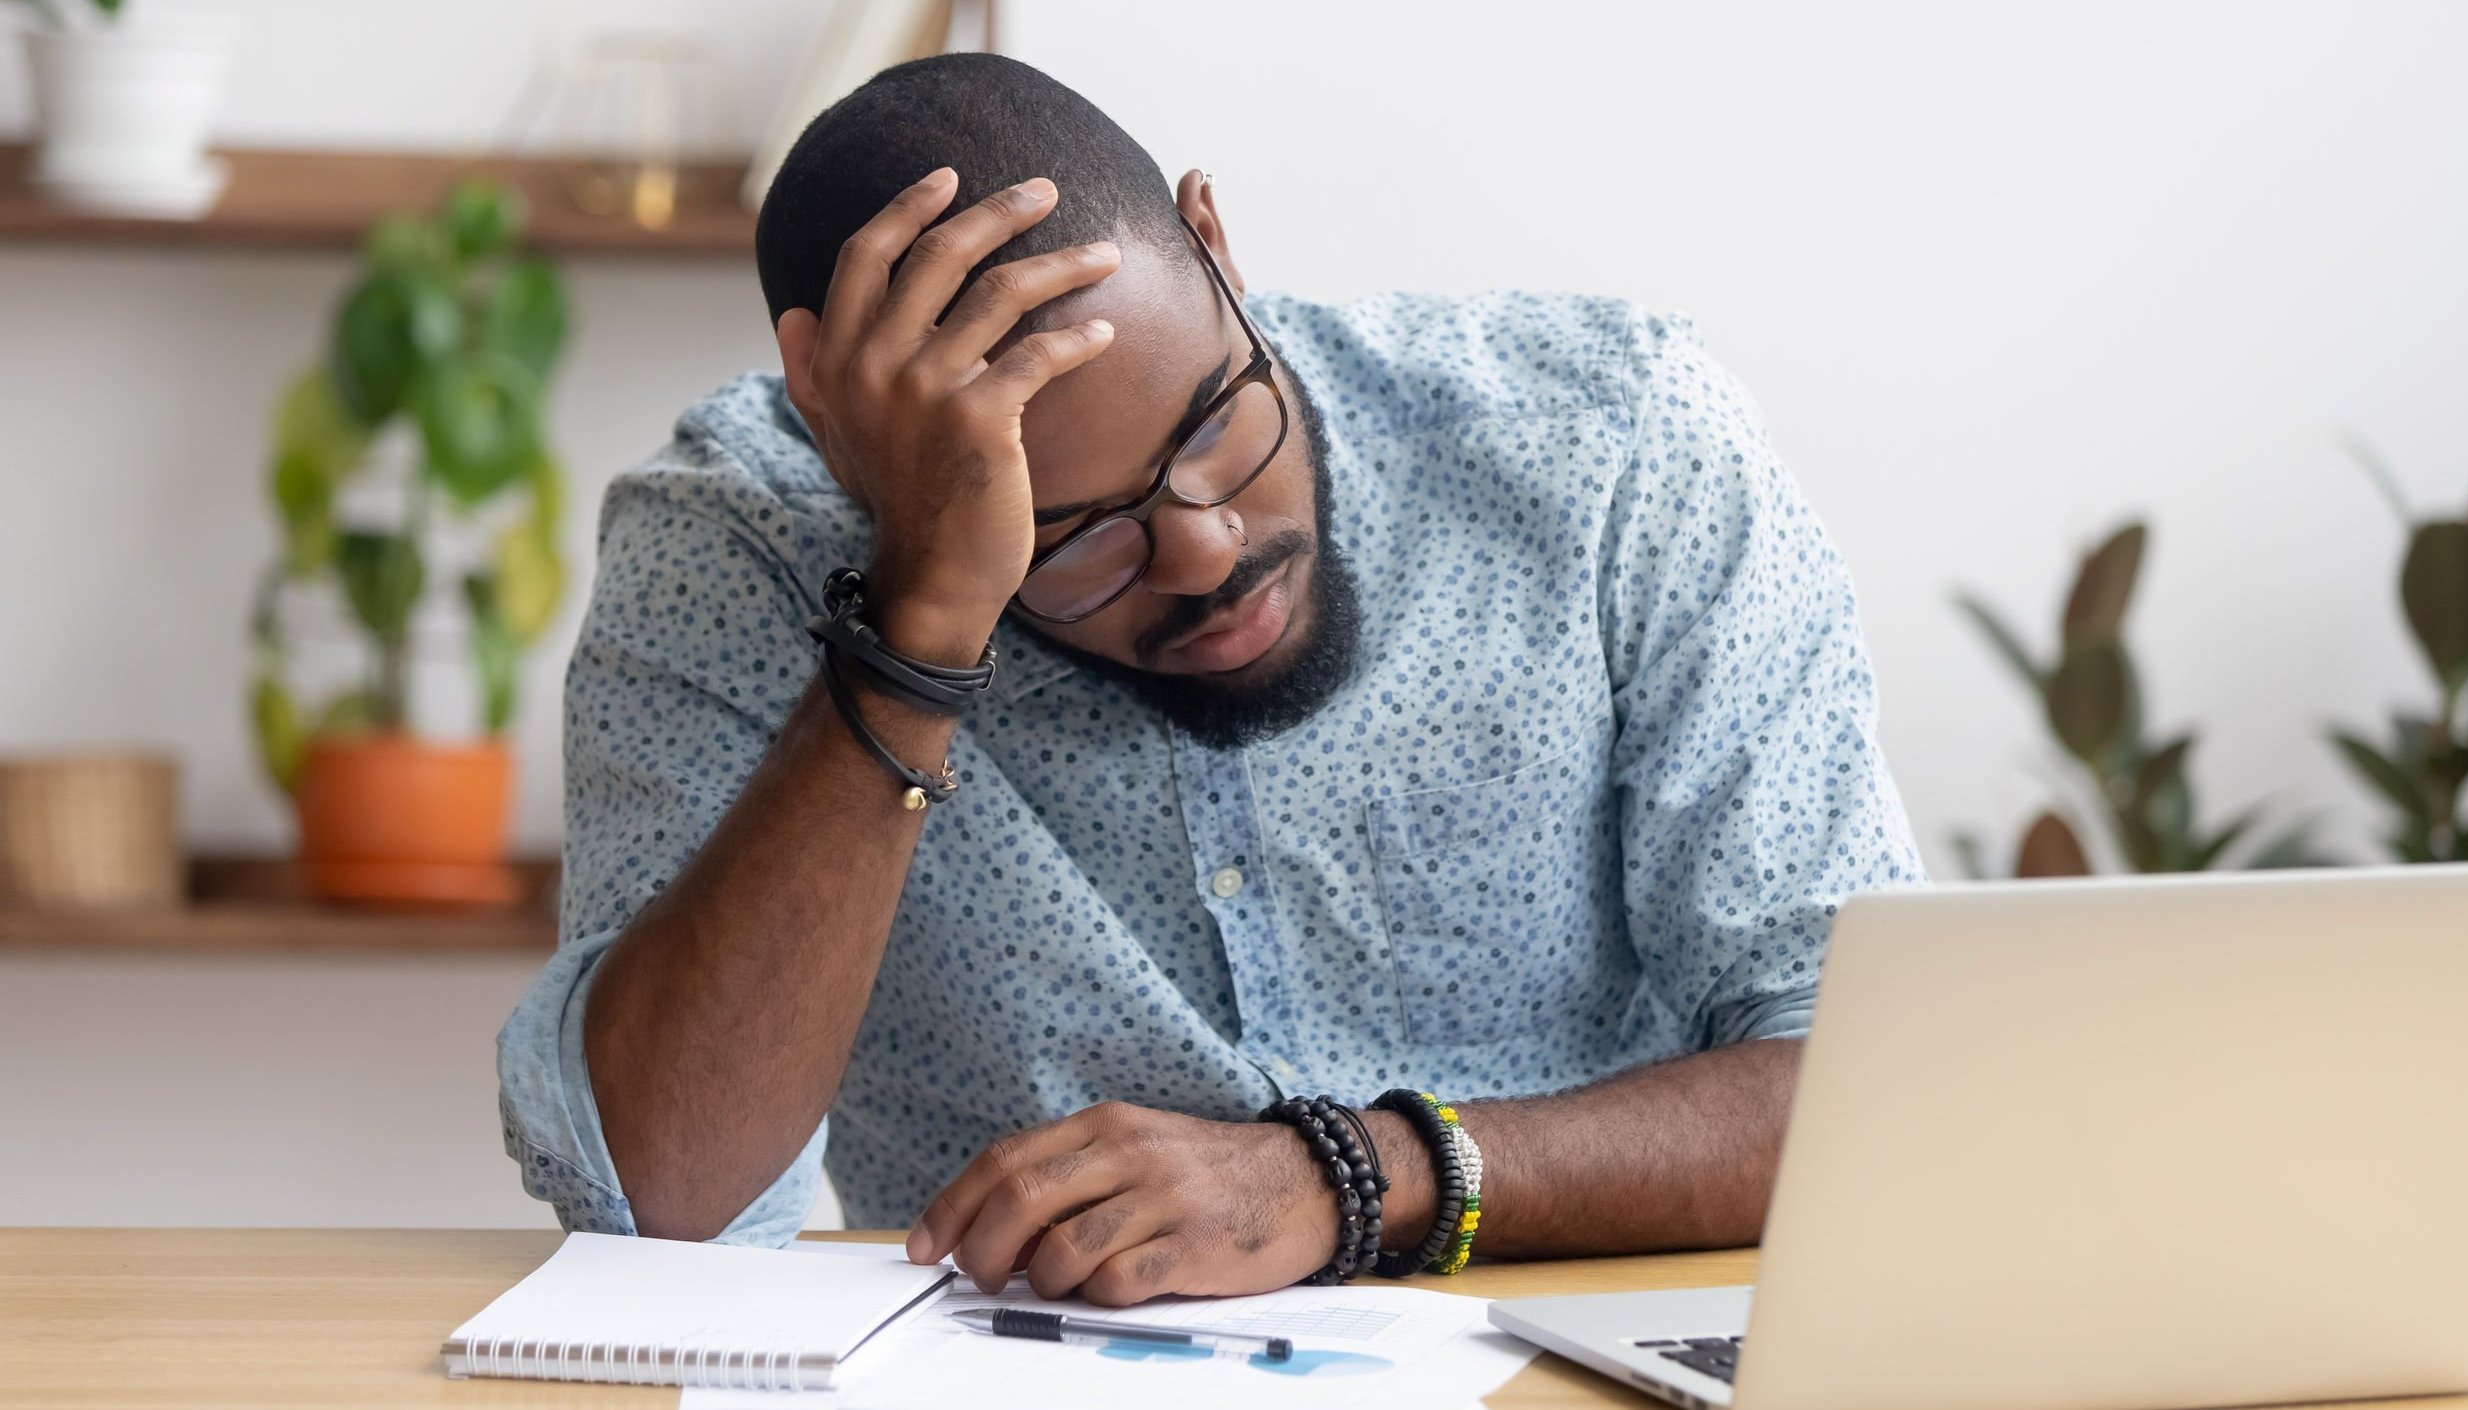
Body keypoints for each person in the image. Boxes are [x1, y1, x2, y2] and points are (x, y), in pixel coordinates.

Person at [497, 51, 1923, 1306]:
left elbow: (1876, 1085)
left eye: (1215, 421)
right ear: (839, 439)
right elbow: (662, 1197)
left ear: (1216, 243)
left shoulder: (1613, 446)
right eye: (1067, 535)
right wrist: (923, 613)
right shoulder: (736, 540)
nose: (1204, 546)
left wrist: (1352, 1176)